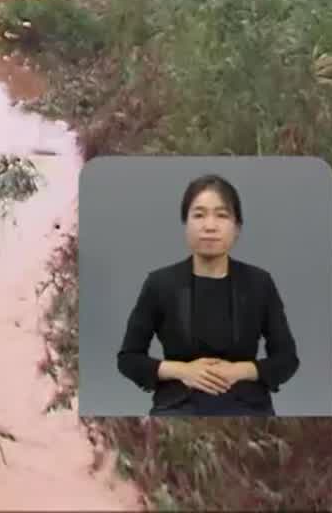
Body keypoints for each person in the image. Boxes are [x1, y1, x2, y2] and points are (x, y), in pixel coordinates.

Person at [116, 173, 299, 416]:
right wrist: (183, 371)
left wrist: (240, 371)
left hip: (247, 406)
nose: (209, 226)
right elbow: (128, 358)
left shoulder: (259, 283)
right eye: (199, 215)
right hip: (178, 405)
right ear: (186, 223)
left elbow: (287, 359)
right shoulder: (160, 283)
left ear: (237, 228)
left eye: (222, 215)